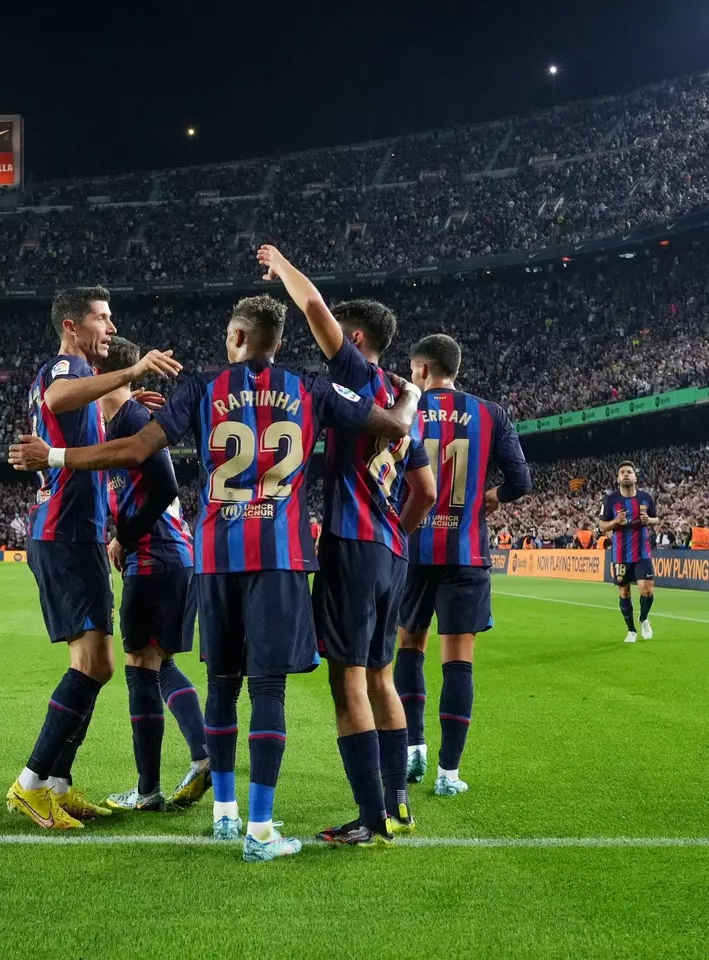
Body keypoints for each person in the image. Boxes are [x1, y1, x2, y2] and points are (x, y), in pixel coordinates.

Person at [10, 294, 419, 861]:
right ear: (277, 341)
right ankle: (260, 828)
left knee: (223, 683)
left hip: (215, 557)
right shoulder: (312, 389)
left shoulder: (201, 390)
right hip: (279, 558)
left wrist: (54, 456)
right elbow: (393, 423)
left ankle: (224, 813)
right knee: (268, 689)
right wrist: (415, 393)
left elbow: (132, 448)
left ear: (235, 337)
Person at [259, 245, 437, 846]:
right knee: (384, 679)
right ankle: (397, 804)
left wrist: (280, 263)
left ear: (355, 336)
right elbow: (427, 491)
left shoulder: (357, 378)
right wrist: (396, 536)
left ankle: (370, 818)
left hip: (352, 545)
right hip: (391, 553)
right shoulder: (399, 396)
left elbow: (310, 305)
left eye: (339, 331)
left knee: (350, 683)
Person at [5, 286, 183, 832]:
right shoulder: (62, 366)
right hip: (64, 533)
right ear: (71, 325)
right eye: (102, 319)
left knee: (98, 665)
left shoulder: (83, 382)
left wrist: (124, 409)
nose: (111, 327)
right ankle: (32, 785)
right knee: (93, 665)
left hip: (75, 533)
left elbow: (76, 421)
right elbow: (59, 399)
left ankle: (56, 784)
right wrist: (131, 375)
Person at [394, 334, 532, 798]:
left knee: (409, 646)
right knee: (458, 662)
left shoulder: (405, 408)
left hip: (412, 548)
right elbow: (521, 480)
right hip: (467, 553)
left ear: (422, 369)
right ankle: (448, 773)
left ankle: (412, 746)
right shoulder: (491, 413)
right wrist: (491, 496)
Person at [87, 337, 211, 814]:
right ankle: (203, 760)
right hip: (169, 556)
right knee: (159, 665)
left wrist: (124, 535)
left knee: (141, 667)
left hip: (154, 555)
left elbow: (164, 485)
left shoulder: (136, 421)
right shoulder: (123, 420)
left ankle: (148, 790)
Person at [599, 462, 660, 643]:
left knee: (646, 590)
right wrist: (616, 521)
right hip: (620, 554)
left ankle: (643, 619)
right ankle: (631, 630)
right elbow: (602, 526)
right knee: (624, 591)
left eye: (629, 472)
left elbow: (656, 519)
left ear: (635, 476)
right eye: (622, 472)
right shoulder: (610, 500)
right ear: (618, 478)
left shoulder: (646, 498)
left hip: (642, 552)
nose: (626, 475)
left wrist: (648, 519)